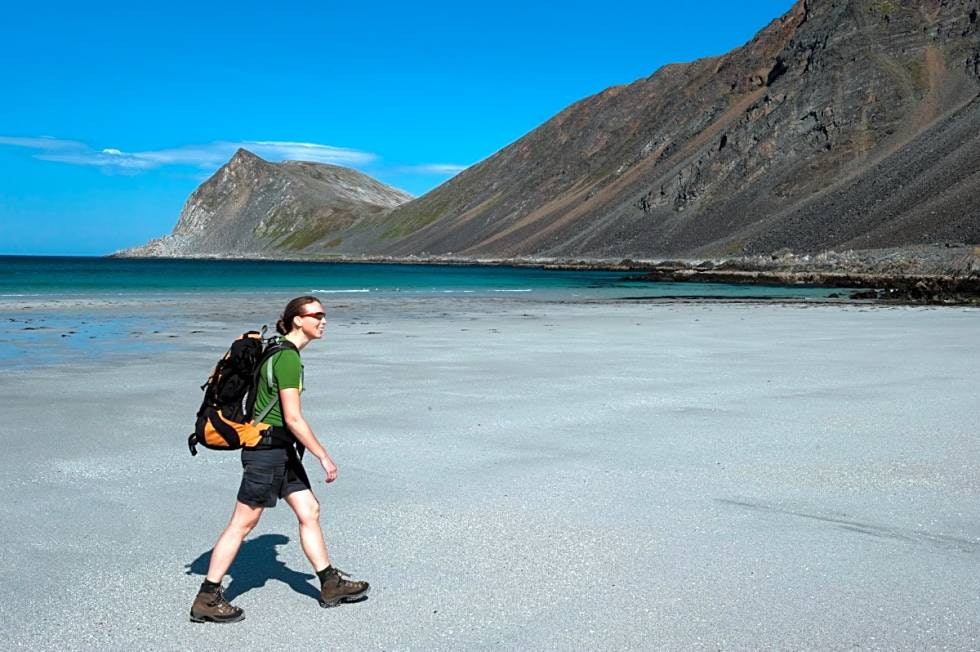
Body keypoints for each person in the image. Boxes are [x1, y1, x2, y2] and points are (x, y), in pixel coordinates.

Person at [190, 295, 369, 623]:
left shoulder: (274, 349)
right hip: (267, 452)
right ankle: (207, 596)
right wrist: (323, 456)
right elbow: (293, 418)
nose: (323, 320)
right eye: (316, 315)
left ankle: (330, 583)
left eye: (324, 314)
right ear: (297, 320)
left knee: (309, 510)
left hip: (278, 450)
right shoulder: (287, 359)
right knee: (243, 523)